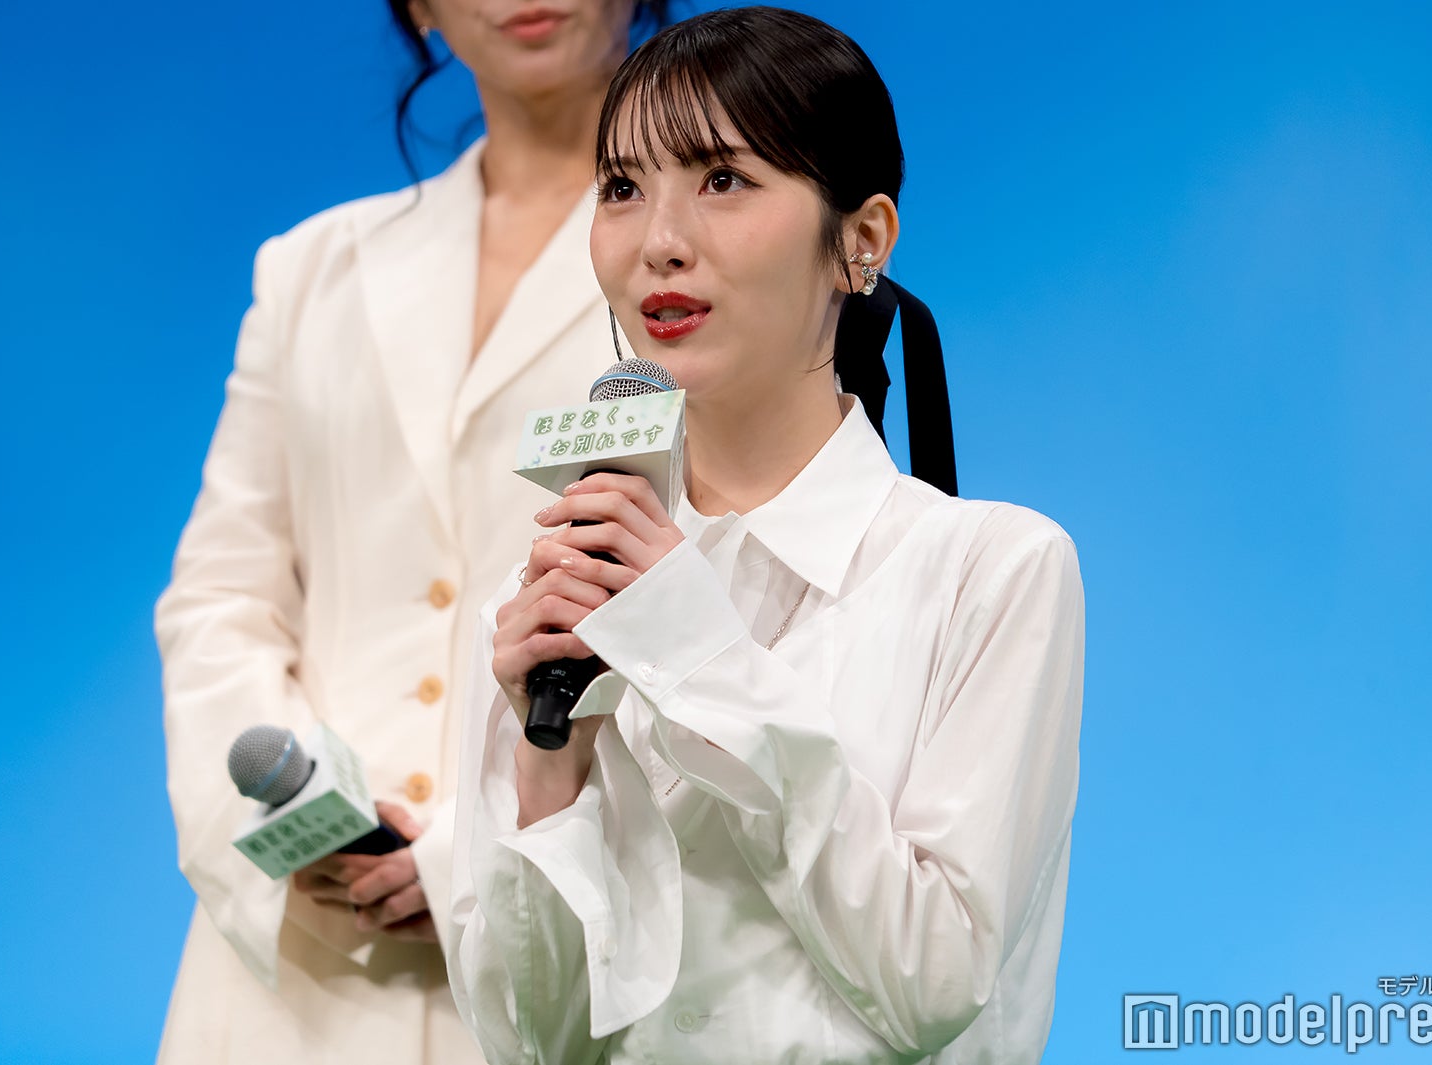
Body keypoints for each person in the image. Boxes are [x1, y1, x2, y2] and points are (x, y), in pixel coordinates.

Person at [445, 7, 1087, 1064]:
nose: (658, 241)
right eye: (621, 188)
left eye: (722, 179)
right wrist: (552, 768)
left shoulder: (993, 570)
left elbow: (935, 981)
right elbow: (529, 1042)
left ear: (862, 239)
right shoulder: (548, 599)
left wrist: (695, 651)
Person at [155, 2, 667, 1061]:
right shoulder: (313, 269)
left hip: (570, 941)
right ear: (421, 11)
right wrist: (290, 813)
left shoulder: (712, 259)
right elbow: (221, 593)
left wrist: (495, 851)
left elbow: (742, 606)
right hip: (302, 970)